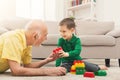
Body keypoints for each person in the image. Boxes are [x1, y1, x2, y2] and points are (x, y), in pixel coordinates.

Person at [0, 20, 66, 76]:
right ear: (35, 36)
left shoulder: (27, 42)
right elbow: (16, 71)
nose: (46, 38)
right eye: (45, 35)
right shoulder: (13, 39)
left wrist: (47, 60)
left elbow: (27, 66)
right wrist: (47, 71)